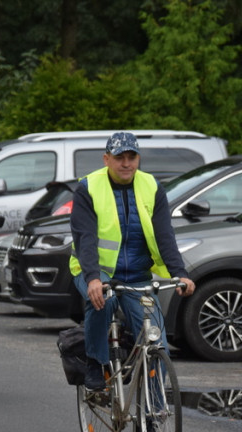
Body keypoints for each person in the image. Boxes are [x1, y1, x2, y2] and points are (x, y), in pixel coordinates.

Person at [68, 131, 195, 396]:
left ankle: (154, 418)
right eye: (119, 157)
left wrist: (180, 273)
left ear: (138, 158)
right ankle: (95, 363)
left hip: (137, 276)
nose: (126, 163)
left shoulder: (152, 187)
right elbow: (85, 238)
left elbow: (164, 235)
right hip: (95, 269)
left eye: (132, 156)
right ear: (106, 159)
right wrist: (93, 277)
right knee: (103, 299)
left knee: (156, 343)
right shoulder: (88, 188)